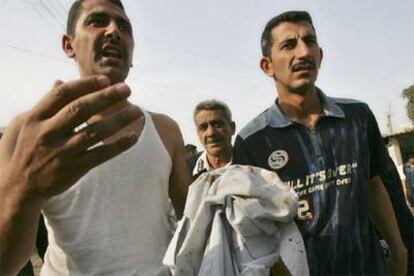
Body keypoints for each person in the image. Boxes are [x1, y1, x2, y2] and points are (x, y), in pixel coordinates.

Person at [0, 0, 189, 275]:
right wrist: (22, 190)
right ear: (69, 45)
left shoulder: (166, 130)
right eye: (97, 21)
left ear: (132, 53)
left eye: (124, 27)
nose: (113, 31)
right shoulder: (32, 134)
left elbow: (191, 225)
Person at [232, 11, 407, 275]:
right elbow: (255, 232)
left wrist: (398, 250)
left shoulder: (357, 117)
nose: (303, 52)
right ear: (267, 66)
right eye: (289, 45)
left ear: (321, 55)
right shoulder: (253, 141)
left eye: (309, 41)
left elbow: (373, 185)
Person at [188, 99, 235, 180]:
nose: (211, 133)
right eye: (203, 127)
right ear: (197, 133)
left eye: (217, 125)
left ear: (232, 128)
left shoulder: (251, 164)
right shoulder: (185, 170)